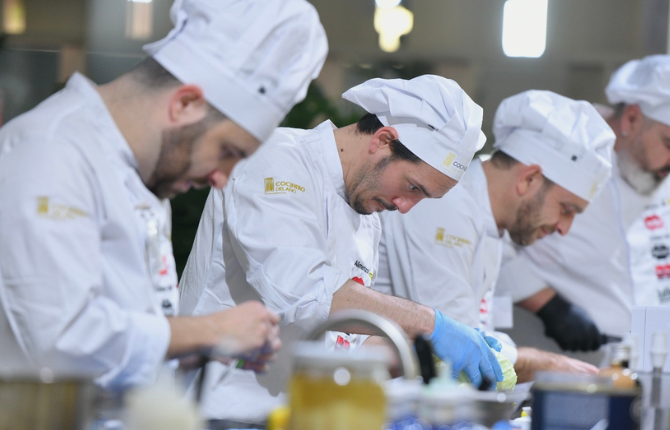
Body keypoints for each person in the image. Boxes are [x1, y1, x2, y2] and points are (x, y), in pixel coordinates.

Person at [0, 0, 328, 391]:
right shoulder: (47, 151)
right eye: (228, 151)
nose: (222, 178)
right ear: (185, 104)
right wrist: (206, 329)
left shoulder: (143, 176)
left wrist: (203, 346)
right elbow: (61, 341)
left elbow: (128, 328)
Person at [178, 74, 500, 422]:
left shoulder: (367, 216)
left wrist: (427, 352)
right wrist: (429, 324)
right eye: (412, 187)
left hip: (296, 414)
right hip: (216, 410)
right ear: (383, 139)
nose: (405, 207)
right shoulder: (277, 159)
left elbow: (343, 336)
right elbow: (305, 295)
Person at [373, 90, 614, 382]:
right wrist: (548, 364)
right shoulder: (445, 206)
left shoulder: (488, 218)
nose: (565, 228)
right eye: (566, 209)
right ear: (529, 179)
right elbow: (458, 351)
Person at [500, 55, 670, 362]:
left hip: (653, 361)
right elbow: (492, 238)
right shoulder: (565, 147)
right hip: (560, 359)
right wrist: (548, 305)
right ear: (631, 119)